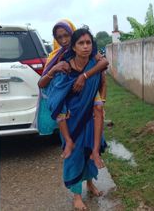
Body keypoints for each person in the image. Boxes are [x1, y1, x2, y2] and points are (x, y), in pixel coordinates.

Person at [45, 28, 106, 210]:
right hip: (71, 117)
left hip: (89, 112)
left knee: (88, 150)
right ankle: (77, 196)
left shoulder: (95, 61)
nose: (85, 47)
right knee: (74, 156)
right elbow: (56, 90)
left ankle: (90, 183)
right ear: (74, 46)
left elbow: (103, 72)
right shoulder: (64, 65)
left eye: (88, 43)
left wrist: (85, 76)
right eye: (81, 43)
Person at [37, 19, 108, 169]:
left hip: (88, 95)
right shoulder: (55, 57)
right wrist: (54, 69)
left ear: (72, 34)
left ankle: (94, 157)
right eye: (59, 37)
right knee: (59, 106)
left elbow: (103, 65)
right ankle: (69, 141)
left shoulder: (89, 52)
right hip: (68, 99)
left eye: (66, 35)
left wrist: (84, 76)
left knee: (98, 111)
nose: (63, 40)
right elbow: (42, 84)